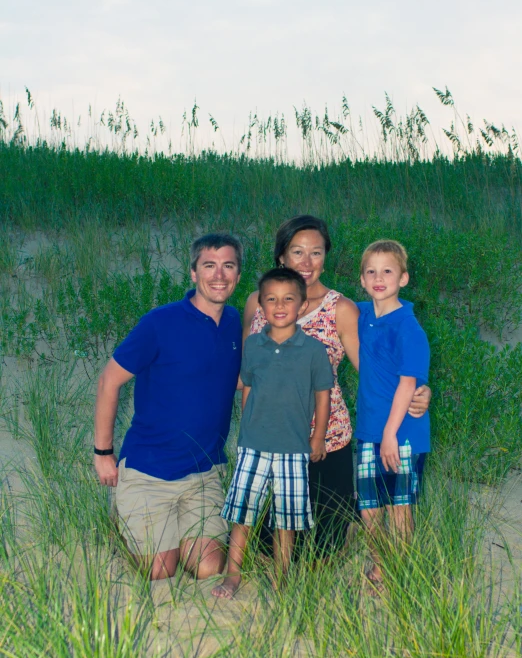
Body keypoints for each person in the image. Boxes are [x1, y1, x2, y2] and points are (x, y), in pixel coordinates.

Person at [243, 215, 431, 556]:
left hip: (326, 442)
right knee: (263, 546)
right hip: (270, 440)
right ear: (281, 256)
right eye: (297, 252)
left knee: (318, 551)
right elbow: (247, 373)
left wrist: (421, 390)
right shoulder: (257, 302)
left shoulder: (340, 309)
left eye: (315, 253)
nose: (306, 262)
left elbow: (378, 368)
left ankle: (347, 516)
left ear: (325, 257)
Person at [94, 233, 243, 581]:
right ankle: (127, 520)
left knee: (208, 568)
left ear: (237, 274)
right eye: (209, 265)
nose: (218, 275)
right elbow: (108, 381)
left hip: (203, 474)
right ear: (193, 273)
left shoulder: (235, 321)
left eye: (228, 266)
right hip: (150, 471)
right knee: (161, 571)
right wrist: (103, 452)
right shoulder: (159, 323)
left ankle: (166, 530)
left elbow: (230, 377)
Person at [212, 268, 334, 598]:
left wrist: (318, 436)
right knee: (243, 515)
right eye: (271, 300)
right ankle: (233, 575)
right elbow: (248, 388)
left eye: (288, 299)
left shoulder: (313, 351)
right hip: (254, 445)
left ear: (302, 305)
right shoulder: (253, 345)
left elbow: (323, 396)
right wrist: (244, 430)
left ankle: (282, 579)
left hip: (293, 448)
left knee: (286, 520)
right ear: (261, 306)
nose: (279, 306)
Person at [356, 240, 430, 590]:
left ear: (403, 278)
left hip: (401, 434)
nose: (379, 277)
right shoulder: (363, 316)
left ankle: (400, 569)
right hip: (368, 430)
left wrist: (390, 435)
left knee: (399, 507)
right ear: (362, 280)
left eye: (388, 271)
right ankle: (380, 562)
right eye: (371, 271)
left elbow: (408, 384)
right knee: (369, 508)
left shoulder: (408, 327)